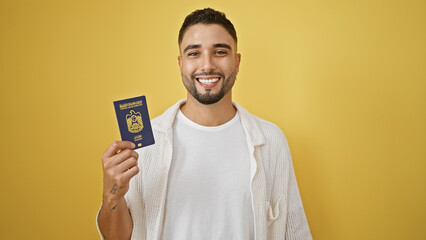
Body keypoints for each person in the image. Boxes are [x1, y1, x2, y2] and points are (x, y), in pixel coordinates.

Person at [97, 8, 312, 240]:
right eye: (194, 53)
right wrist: (112, 196)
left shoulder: (270, 140)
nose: (207, 65)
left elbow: (294, 231)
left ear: (237, 62)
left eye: (220, 52)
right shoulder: (146, 143)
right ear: (181, 63)